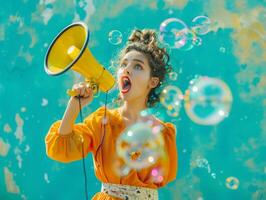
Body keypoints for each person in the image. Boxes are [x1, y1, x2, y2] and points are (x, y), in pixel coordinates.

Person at [45, 29, 178, 200]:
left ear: (152, 82)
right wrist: (74, 106)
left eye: (137, 66)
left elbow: (163, 176)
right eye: (123, 64)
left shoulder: (162, 132)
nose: (127, 70)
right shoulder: (101, 121)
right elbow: (61, 151)